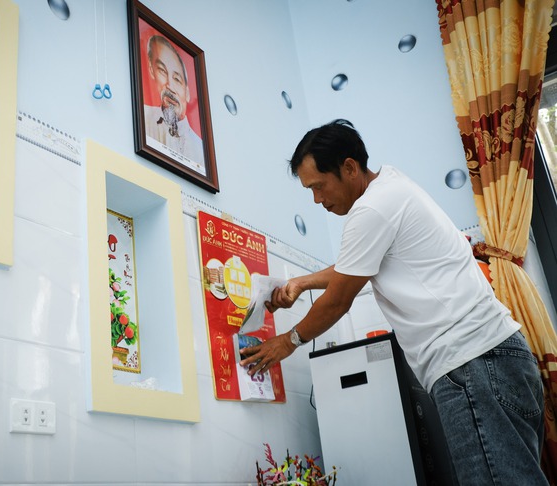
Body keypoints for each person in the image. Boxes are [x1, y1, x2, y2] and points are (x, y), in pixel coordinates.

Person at [240, 119, 547, 485]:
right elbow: (355, 266)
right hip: (499, 358)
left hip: (472, 364)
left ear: (349, 167)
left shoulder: (371, 210)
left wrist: (286, 342)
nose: (317, 200)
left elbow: (338, 301)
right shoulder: (391, 187)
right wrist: (302, 282)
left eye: (319, 186)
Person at [143, 35, 204, 171]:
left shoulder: (201, 151)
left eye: (177, 79)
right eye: (162, 71)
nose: (169, 86)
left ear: (187, 93)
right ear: (152, 71)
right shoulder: (143, 117)